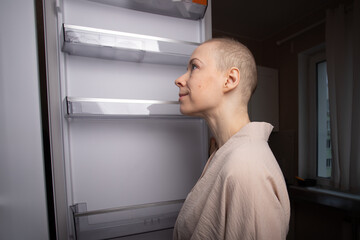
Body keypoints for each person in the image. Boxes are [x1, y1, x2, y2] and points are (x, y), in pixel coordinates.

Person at [173, 38, 290, 240]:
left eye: (194, 67)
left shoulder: (246, 166)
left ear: (229, 80)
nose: (179, 80)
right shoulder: (225, 154)